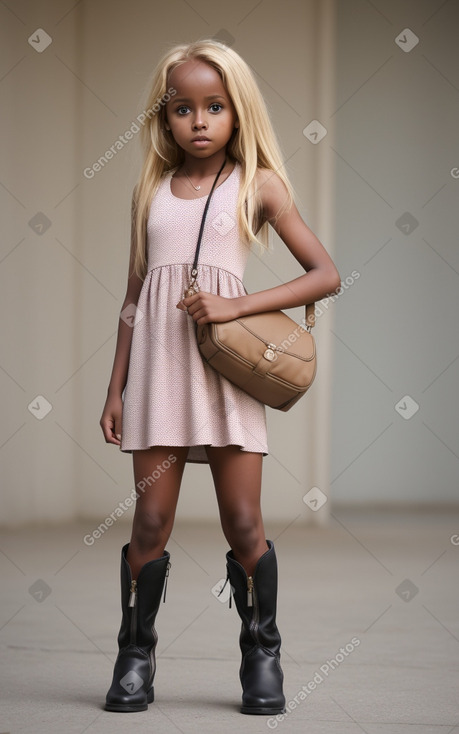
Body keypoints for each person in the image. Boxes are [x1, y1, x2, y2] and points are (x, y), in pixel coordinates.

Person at [99, 38, 341, 716]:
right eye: (182, 108)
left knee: (242, 519)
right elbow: (133, 291)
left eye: (214, 106)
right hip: (157, 369)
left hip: (226, 371)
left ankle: (260, 653)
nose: (198, 121)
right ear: (164, 115)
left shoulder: (258, 183)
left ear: (237, 112)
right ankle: (135, 653)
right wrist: (114, 386)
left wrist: (237, 302)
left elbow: (325, 273)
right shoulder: (151, 187)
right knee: (150, 518)